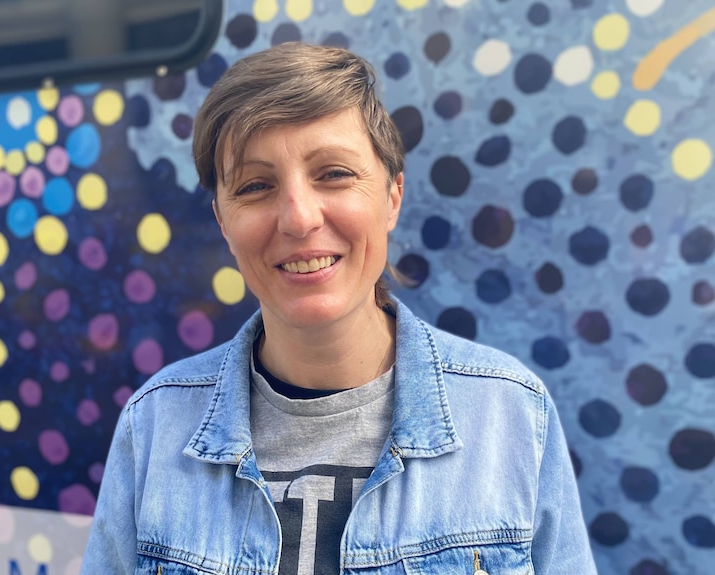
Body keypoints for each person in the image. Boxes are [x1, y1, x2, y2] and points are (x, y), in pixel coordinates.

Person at [81, 42, 597, 575]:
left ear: (393, 196)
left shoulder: (509, 413)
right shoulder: (155, 425)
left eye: (333, 174)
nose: (299, 218)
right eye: (256, 186)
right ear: (222, 222)